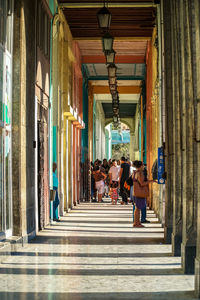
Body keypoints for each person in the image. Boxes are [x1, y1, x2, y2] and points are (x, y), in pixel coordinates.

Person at [132, 160, 154, 227]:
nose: (144, 166)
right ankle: (137, 223)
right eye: (143, 165)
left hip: (135, 192)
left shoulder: (134, 172)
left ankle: (136, 222)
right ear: (141, 166)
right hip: (140, 193)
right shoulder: (140, 173)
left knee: (137, 208)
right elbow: (142, 183)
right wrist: (151, 181)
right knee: (138, 209)